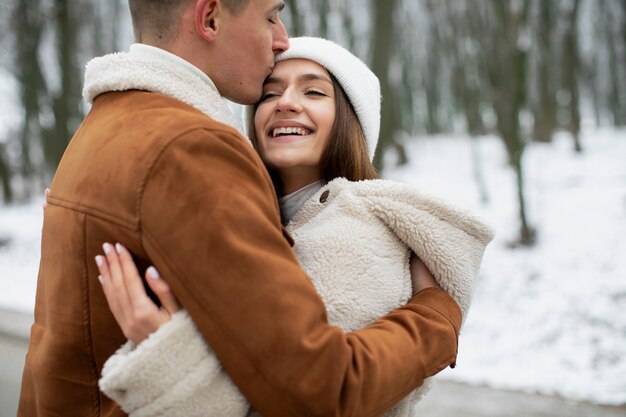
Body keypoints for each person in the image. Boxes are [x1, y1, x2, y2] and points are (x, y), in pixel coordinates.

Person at [19, 1, 465, 416]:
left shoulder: (102, 129)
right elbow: (319, 386)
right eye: (271, 15)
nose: (281, 37)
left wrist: (177, 357)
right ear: (210, 17)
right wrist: (436, 318)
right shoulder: (190, 149)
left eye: (314, 92)